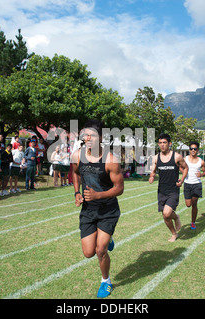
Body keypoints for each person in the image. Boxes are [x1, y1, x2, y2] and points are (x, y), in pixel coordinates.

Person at [71, 119, 124, 298]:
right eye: (85, 134)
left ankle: (106, 281)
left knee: (100, 250)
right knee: (88, 253)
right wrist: (77, 193)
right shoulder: (78, 155)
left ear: (101, 137)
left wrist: (98, 195)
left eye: (92, 135)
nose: (88, 138)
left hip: (108, 210)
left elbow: (119, 189)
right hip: (88, 210)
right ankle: (107, 239)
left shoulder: (110, 160)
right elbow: (75, 173)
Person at [149, 133, 188, 242]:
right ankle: (174, 233)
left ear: (169, 144)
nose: (162, 145)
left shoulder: (176, 156)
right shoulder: (156, 158)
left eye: (164, 142)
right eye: (160, 143)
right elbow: (153, 171)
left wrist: (182, 180)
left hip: (173, 190)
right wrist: (152, 176)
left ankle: (176, 217)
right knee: (165, 216)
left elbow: (186, 168)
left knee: (167, 213)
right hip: (161, 190)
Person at [183, 142, 205, 230]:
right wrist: (183, 173)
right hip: (187, 184)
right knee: (188, 204)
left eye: (195, 149)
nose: (193, 150)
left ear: (198, 150)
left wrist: (201, 174)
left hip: (197, 184)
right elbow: (180, 167)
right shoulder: (185, 159)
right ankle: (193, 220)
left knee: (194, 204)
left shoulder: (201, 161)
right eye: (191, 148)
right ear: (189, 150)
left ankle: (193, 222)